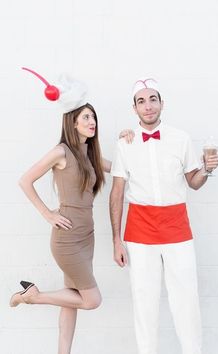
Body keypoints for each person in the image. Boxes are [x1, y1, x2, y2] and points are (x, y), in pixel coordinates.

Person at [9, 73, 131, 354]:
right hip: (66, 239)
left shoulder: (89, 154)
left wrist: (126, 139)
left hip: (86, 238)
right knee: (92, 300)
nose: (92, 123)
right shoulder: (61, 151)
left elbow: (123, 167)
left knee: (71, 299)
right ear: (72, 121)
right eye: (86, 117)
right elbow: (25, 180)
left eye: (94, 118)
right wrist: (47, 214)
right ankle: (33, 297)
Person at [109, 78, 218, 354]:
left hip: (176, 227)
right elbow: (117, 192)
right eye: (141, 101)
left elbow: (193, 182)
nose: (148, 106)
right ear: (134, 109)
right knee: (144, 300)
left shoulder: (180, 139)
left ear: (162, 103)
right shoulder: (125, 143)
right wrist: (116, 240)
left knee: (186, 298)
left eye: (153, 99)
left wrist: (206, 169)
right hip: (139, 231)